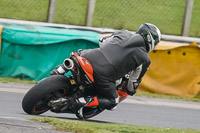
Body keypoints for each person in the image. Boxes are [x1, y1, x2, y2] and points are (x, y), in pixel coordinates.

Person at [50, 23, 161, 118]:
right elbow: (133, 82)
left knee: (78, 53)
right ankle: (79, 102)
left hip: (88, 57)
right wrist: (132, 91)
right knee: (113, 101)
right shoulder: (145, 59)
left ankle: (59, 70)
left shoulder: (123, 33)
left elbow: (102, 41)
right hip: (103, 75)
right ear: (151, 40)